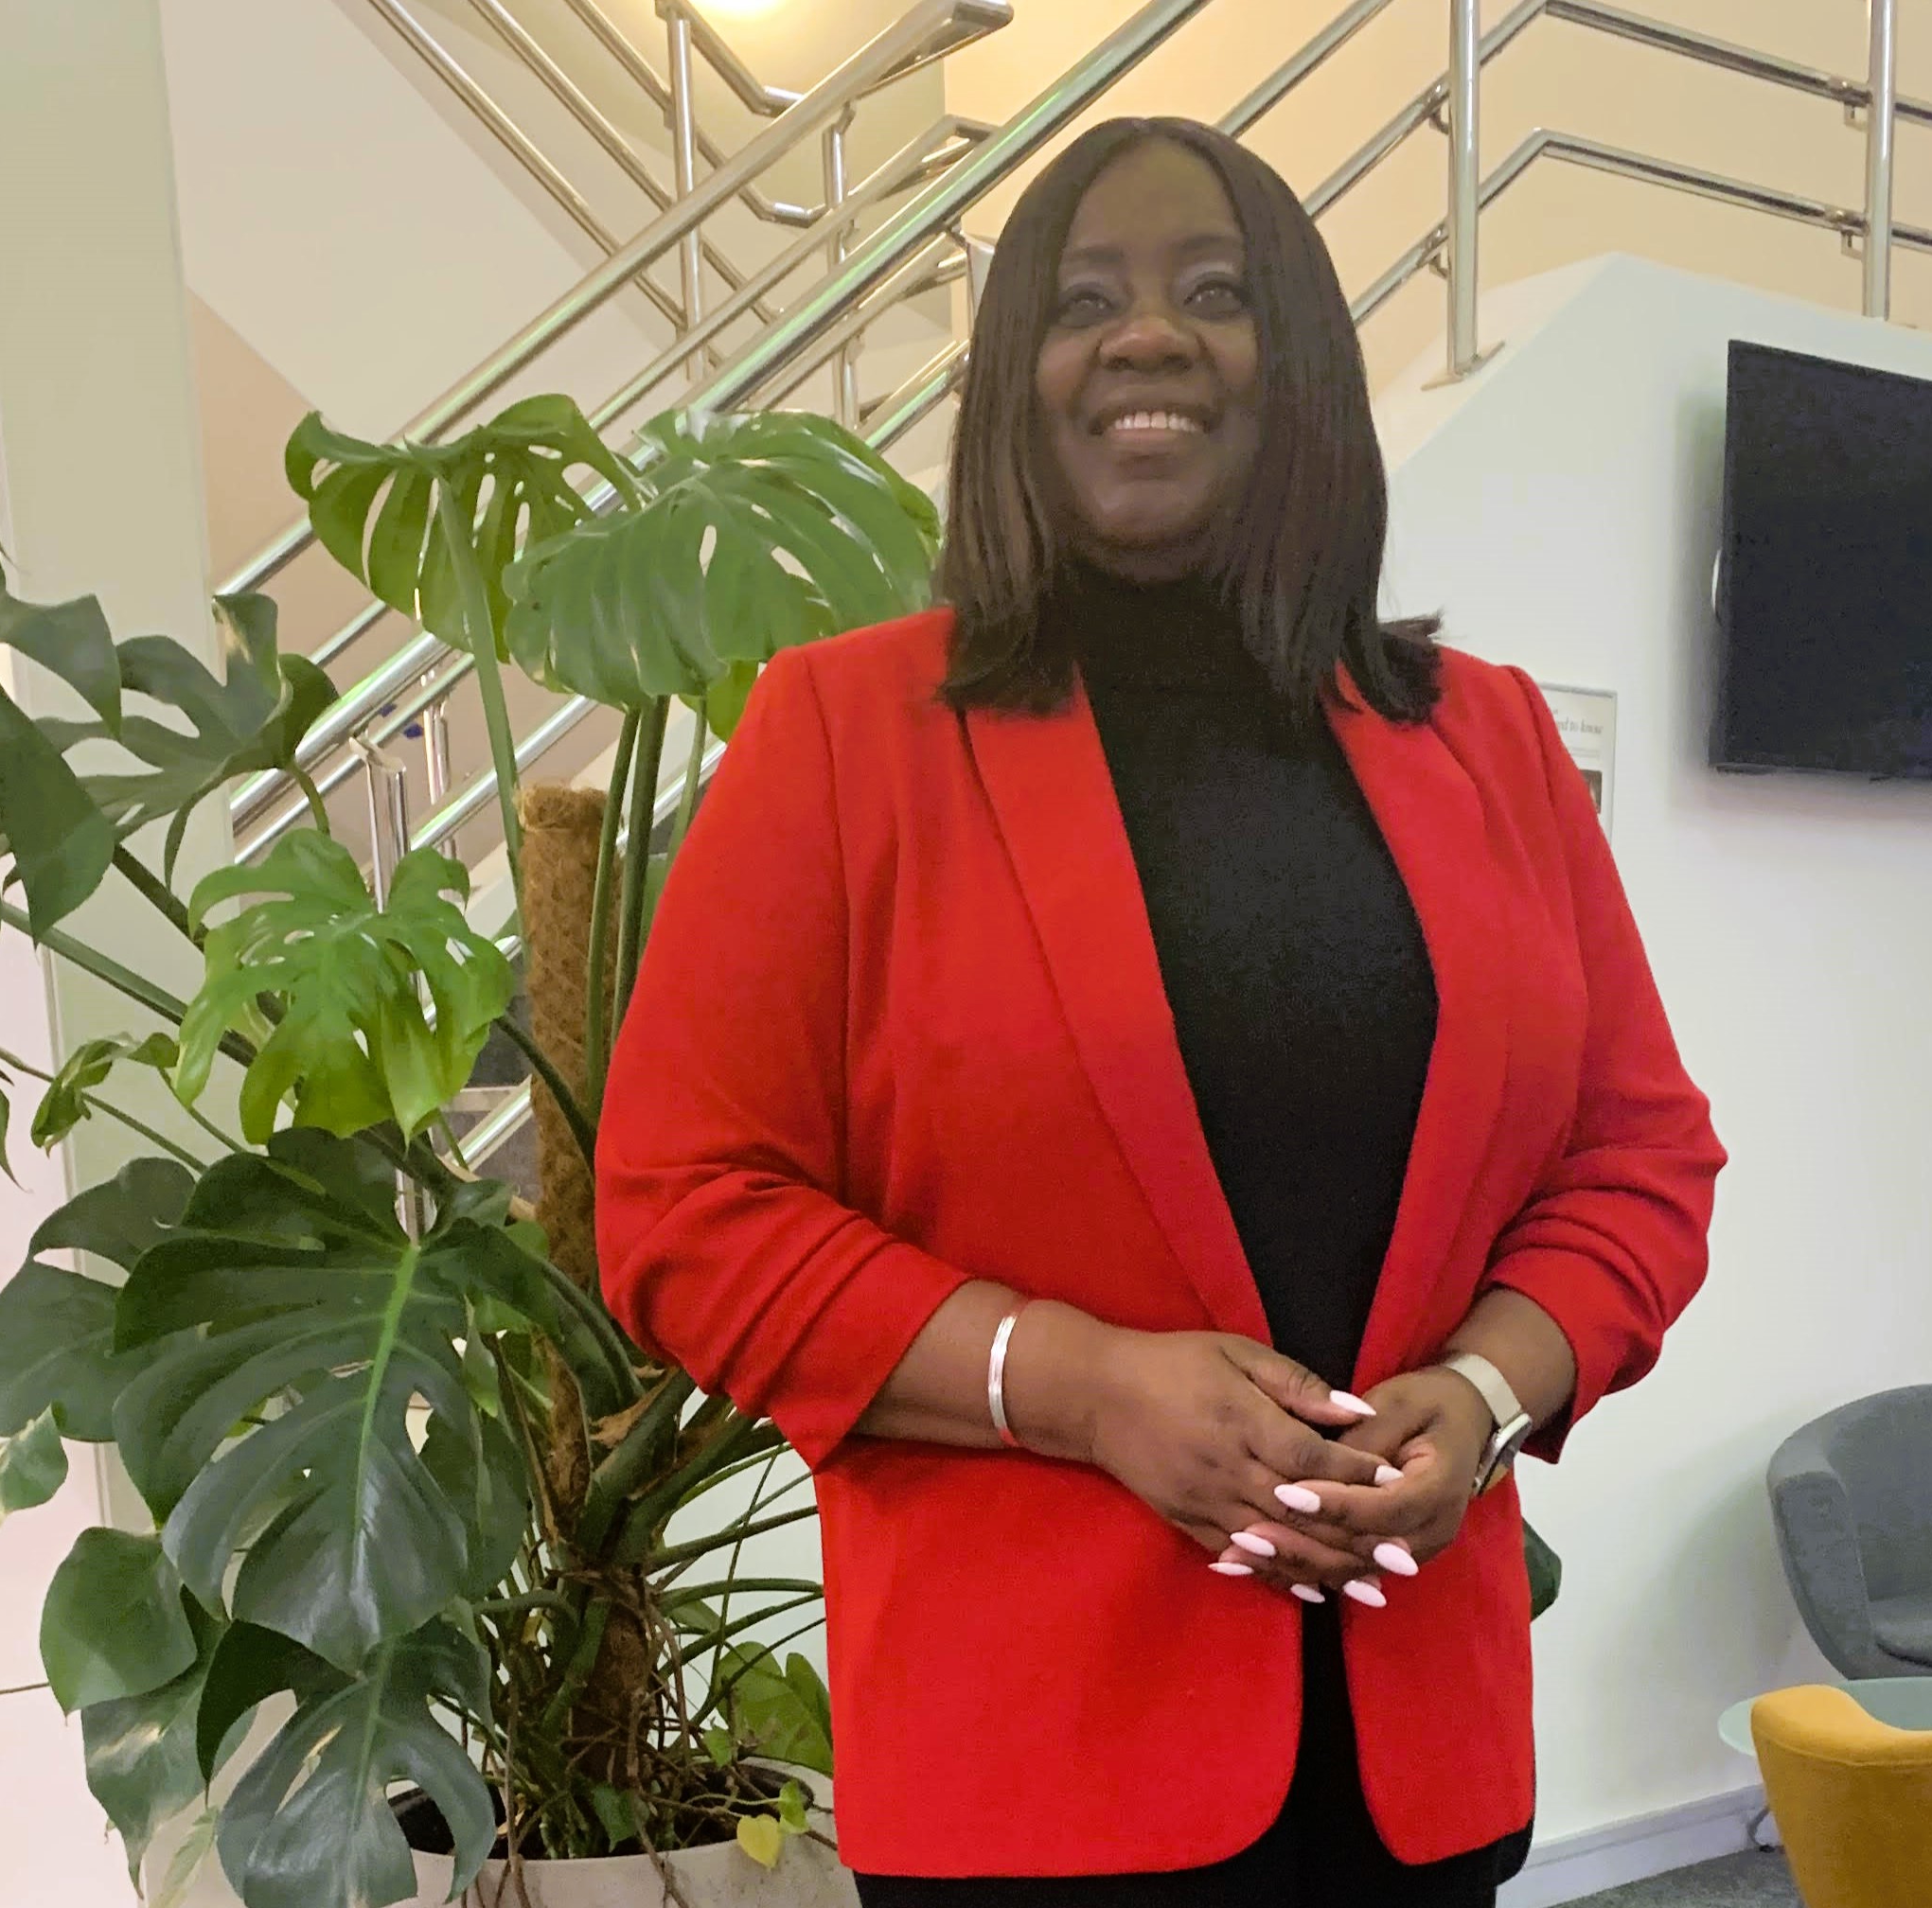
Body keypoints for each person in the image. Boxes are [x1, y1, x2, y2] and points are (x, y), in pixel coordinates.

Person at [597, 117, 1723, 1903]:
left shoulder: (1489, 742)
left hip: (1416, 1762)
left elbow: (1641, 1160)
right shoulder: (843, 737)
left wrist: (1488, 1395)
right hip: (1030, 1781)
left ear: (1303, 375)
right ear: (1014, 385)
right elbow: (684, 1210)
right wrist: (1083, 1387)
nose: (1147, 338)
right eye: (1083, 300)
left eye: (1216, 294)